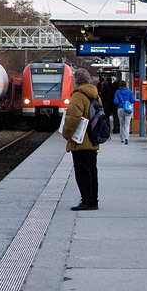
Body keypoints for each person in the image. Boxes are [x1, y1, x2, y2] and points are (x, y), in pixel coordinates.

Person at [62, 68, 100, 211]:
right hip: (93, 139)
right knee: (92, 171)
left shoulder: (78, 95)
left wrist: (66, 134)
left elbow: (73, 118)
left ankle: (87, 201)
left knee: (82, 172)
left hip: (81, 141)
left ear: (76, 80)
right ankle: (93, 200)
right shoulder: (95, 95)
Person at [114, 80, 136, 145]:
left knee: (121, 124)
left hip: (120, 109)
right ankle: (127, 138)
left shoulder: (118, 92)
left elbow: (116, 102)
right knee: (127, 125)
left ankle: (122, 139)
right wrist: (128, 102)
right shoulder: (129, 91)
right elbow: (133, 100)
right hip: (128, 109)